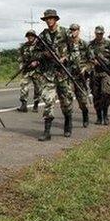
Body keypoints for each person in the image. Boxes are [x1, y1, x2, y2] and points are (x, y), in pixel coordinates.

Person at [35, 9, 74, 141]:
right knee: (48, 101)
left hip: (63, 73)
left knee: (66, 102)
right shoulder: (42, 36)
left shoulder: (65, 32)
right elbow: (34, 53)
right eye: (47, 19)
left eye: (51, 18)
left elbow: (74, 52)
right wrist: (44, 55)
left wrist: (65, 58)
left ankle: (68, 123)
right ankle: (47, 132)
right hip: (48, 74)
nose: (49, 21)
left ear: (56, 19)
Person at [88, 26, 110, 125]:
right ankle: (99, 117)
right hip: (95, 73)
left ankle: (105, 116)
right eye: (97, 33)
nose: (99, 35)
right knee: (96, 95)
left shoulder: (108, 44)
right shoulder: (90, 45)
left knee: (106, 94)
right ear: (95, 33)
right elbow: (87, 57)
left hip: (106, 73)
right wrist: (93, 61)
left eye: (101, 33)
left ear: (103, 34)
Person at [68, 24, 94, 127]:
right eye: (72, 30)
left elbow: (92, 61)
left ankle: (85, 115)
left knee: (82, 101)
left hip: (81, 77)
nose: (73, 32)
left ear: (79, 31)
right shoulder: (66, 44)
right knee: (67, 99)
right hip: (69, 76)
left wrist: (85, 68)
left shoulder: (84, 44)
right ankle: (68, 122)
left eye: (75, 30)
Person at [17, 30, 41, 113]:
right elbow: (20, 57)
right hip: (26, 70)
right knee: (23, 86)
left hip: (37, 70)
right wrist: (21, 66)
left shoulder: (40, 46)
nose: (30, 37)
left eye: (32, 35)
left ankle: (36, 105)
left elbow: (44, 57)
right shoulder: (24, 46)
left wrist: (37, 62)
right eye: (28, 36)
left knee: (38, 88)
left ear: (35, 36)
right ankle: (23, 105)